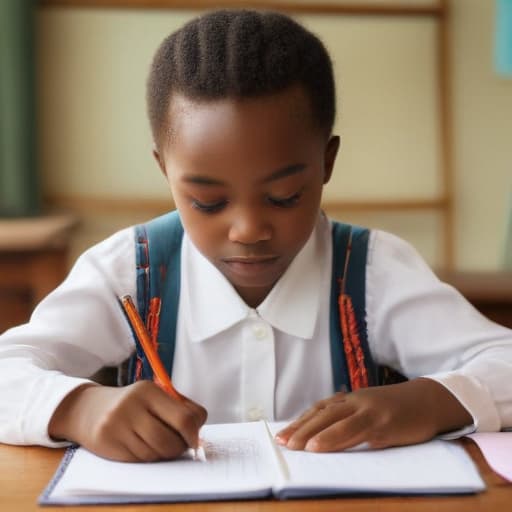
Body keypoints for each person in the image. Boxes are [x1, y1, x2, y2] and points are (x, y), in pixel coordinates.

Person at [0, 9, 511, 463]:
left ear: (326, 162)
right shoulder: (125, 271)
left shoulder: (374, 270)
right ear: (164, 170)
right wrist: (79, 408)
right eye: (207, 202)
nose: (248, 230)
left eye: (285, 195)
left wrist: (430, 401)